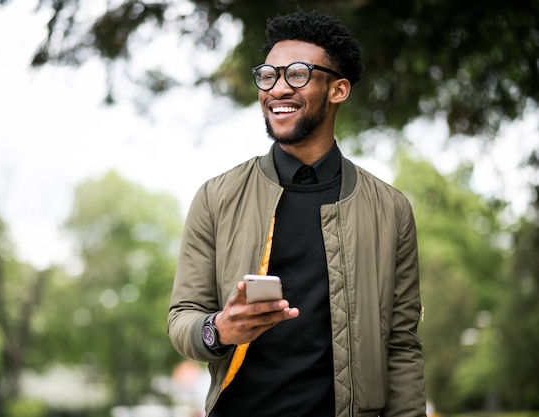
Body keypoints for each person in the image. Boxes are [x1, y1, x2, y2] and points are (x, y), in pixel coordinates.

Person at [168, 10, 425, 417]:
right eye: (269, 76)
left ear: (338, 89)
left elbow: (402, 345)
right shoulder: (216, 197)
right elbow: (183, 319)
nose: (278, 89)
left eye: (298, 74)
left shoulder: (390, 209)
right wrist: (218, 330)